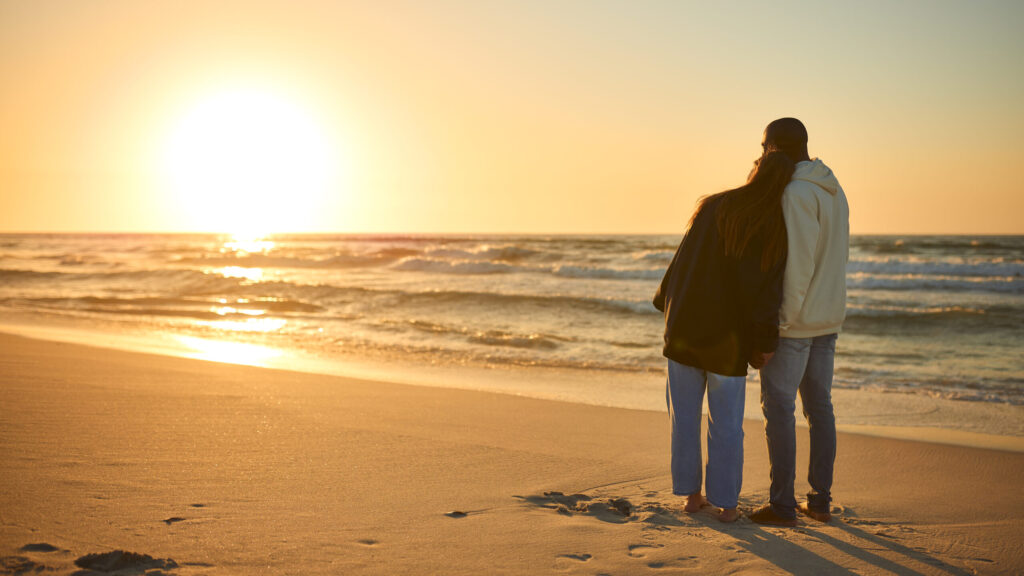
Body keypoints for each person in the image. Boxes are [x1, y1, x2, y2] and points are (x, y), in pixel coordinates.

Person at [653, 151, 793, 523]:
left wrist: (664, 301)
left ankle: (692, 497)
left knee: (684, 418)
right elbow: (767, 294)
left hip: (683, 328)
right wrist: (765, 344)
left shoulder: (713, 205)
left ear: (756, 172)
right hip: (727, 339)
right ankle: (728, 506)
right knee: (726, 424)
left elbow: (682, 261)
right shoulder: (773, 225)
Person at [749, 118, 850, 527]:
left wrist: (781, 325)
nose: (760, 154)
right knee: (820, 408)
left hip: (798, 323)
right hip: (828, 318)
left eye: (764, 146)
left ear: (775, 147)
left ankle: (782, 505)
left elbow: (798, 266)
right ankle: (820, 502)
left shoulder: (795, 193)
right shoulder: (834, 188)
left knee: (779, 409)